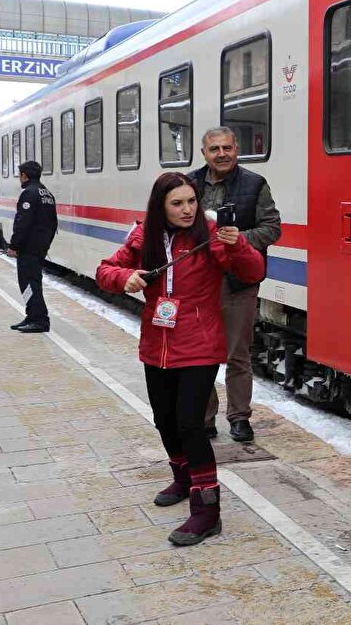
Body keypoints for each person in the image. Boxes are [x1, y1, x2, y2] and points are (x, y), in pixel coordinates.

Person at [96, 172, 264, 546]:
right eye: (177, 203)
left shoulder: (212, 235)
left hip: (199, 343)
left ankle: (207, 511)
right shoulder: (143, 236)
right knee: (164, 420)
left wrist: (238, 245)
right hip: (156, 343)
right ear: (161, 207)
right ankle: (183, 477)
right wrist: (124, 277)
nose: (188, 209)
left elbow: (253, 271)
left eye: (192, 201)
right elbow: (104, 270)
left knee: (191, 424)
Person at [189, 127, 281, 443]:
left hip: (238, 281)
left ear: (236, 150)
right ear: (204, 153)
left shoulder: (255, 184)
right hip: (199, 281)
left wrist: (240, 239)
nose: (222, 154)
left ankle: (239, 418)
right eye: (215, 149)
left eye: (227, 148)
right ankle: (205, 419)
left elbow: (272, 228)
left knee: (238, 354)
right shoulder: (189, 183)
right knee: (201, 353)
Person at [9, 161, 58, 333]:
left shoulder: (29, 193)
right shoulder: (47, 193)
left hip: (28, 248)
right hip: (40, 247)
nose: (19, 178)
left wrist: (14, 245)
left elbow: (22, 223)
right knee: (33, 282)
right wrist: (46, 244)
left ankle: (39, 320)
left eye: (19, 175)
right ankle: (31, 316)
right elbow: (53, 223)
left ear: (24, 175)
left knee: (29, 284)